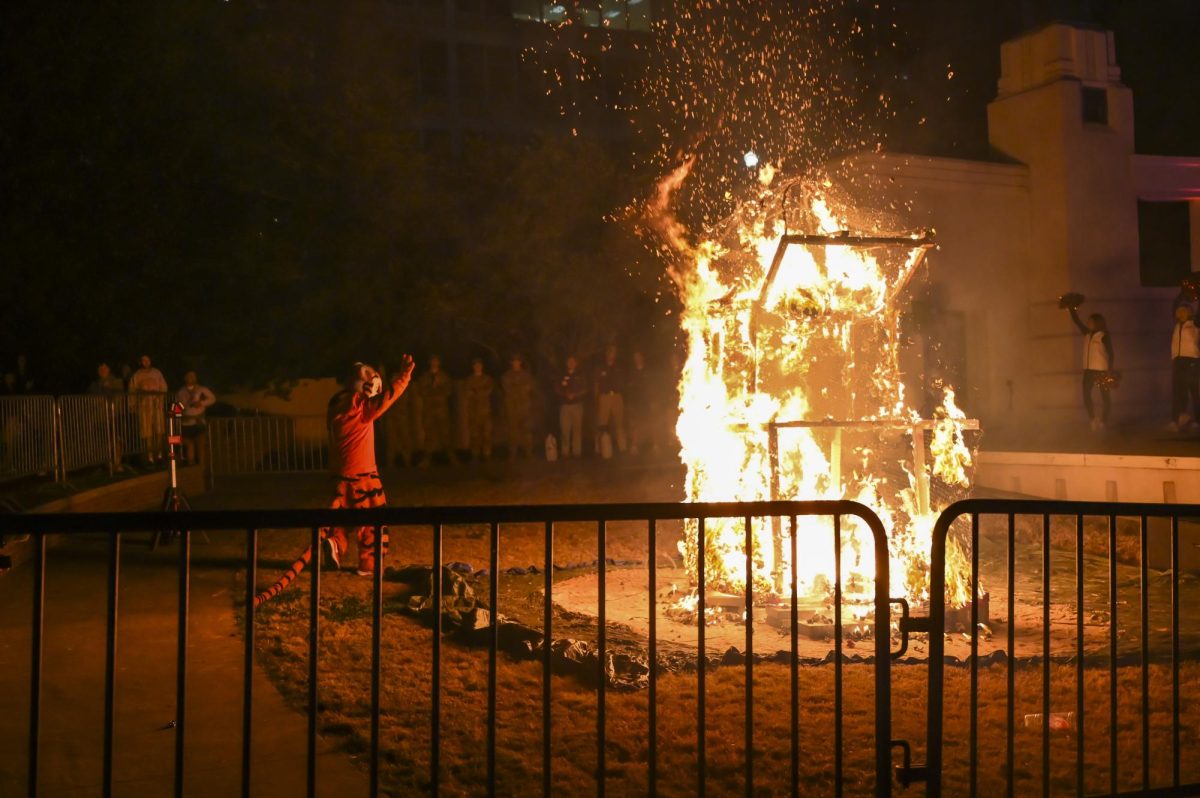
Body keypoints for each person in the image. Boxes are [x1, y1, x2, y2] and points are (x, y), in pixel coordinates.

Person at [254, 357, 416, 605]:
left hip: (341, 475)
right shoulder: (358, 404)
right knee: (374, 522)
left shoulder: (337, 402)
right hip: (363, 476)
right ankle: (369, 564)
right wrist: (403, 377)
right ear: (362, 383)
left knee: (342, 517)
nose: (375, 379)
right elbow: (386, 400)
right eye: (370, 375)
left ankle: (334, 544)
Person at [1065, 304, 1113, 431]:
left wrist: (1110, 369)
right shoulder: (1087, 334)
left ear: (1097, 323)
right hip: (1088, 371)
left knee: (1105, 397)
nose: (1088, 323)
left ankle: (1103, 421)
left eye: (1091, 321)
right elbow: (1077, 321)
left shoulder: (1103, 336)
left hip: (1101, 370)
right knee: (1086, 395)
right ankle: (1093, 419)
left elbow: (1111, 353)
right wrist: (1071, 307)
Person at [417, 355, 457, 466]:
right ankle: (427, 459)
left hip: (442, 410)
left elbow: (448, 391)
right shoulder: (424, 377)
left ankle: (451, 457)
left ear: (439, 362)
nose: (434, 363)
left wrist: (434, 391)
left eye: (436, 361)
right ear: (430, 362)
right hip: (429, 410)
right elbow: (421, 391)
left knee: (446, 433)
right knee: (429, 434)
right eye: (433, 360)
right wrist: (435, 391)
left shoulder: (444, 376)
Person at [128, 354, 168, 466]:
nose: (145, 362)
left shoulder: (157, 373)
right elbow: (132, 390)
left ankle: (159, 455)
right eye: (143, 360)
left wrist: (160, 399)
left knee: (159, 430)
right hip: (144, 407)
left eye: (147, 360)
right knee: (147, 432)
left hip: (156, 406)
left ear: (150, 361)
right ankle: (150, 457)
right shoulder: (137, 375)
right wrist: (133, 404)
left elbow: (163, 387)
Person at [88, 362, 127, 470]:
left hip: (114, 415)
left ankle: (117, 463)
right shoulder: (95, 384)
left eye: (105, 368)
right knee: (103, 441)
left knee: (117, 439)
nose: (102, 371)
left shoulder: (116, 382)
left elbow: (117, 394)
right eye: (100, 369)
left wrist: (107, 389)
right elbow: (92, 395)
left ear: (109, 369)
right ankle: (107, 463)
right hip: (100, 417)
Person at [1169, 303, 1200, 431]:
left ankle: (1197, 421)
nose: (1180, 313)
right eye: (1178, 311)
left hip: (1191, 360)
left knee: (1194, 391)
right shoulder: (1177, 326)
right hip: (1178, 361)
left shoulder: (1195, 324)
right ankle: (1178, 419)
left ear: (1189, 312)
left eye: (1184, 311)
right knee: (1178, 391)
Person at [593, 343, 627, 457]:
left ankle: (623, 448)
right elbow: (596, 384)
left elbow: (623, 382)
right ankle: (599, 447)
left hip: (617, 396)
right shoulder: (600, 368)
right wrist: (597, 398)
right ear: (607, 353)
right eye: (611, 352)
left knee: (619, 423)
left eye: (614, 352)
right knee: (602, 423)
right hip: (604, 396)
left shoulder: (619, 367)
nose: (613, 354)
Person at [176, 371, 216, 466]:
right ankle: (192, 468)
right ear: (185, 378)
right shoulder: (181, 391)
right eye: (189, 376)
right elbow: (179, 405)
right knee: (189, 445)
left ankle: (201, 470)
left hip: (199, 422)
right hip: (186, 423)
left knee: (200, 446)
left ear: (196, 378)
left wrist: (201, 403)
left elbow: (213, 399)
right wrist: (180, 413)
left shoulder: (202, 389)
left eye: (193, 376)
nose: (191, 378)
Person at [626, 350, 661, 454]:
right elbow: (629, 388)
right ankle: (634, 445)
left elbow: (653, 387)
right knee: (636, 424)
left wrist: (654, 400)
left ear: (642, 358)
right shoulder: (632, 372)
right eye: (635, 357)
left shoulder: (648, 371)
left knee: (652, 423)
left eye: (638, 356)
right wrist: (629, 402)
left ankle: (655, 445)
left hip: (648, 402)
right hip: (636, 402)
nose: (637, 359)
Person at [501, 353, 536, 459]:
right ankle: (512, 453)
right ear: (511, 363)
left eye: (518, 361)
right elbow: (508, 389)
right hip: (512, 407)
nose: (516, 363)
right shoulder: (506, 376)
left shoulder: (526, 375)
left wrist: (517, 388)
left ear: (520, 362)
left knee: (527, 430)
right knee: (512, 430)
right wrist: (520, 389)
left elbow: (529, 388)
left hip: (524, 407)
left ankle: (528, 452)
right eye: (514, 361)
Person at [464, 357, 496, 461]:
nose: (477, 367)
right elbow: (468, 393)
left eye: (479, 365)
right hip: (473, 412)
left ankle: (487, 454)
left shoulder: (487, 379)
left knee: (487, 434)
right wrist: (479, 391)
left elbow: (488, 391)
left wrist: (476, 391)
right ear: (473, 367)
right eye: (475, 365)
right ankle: (475, 455)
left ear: (482, 366)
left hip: (485, 411)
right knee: (474, 434)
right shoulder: (469, 380)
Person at [556, 355, 587, 459]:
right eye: (569, 361)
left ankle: (577, 453)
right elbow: (557, 389)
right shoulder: (561, 375)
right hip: (565, 406)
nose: (571, 363)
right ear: (567, 363)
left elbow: (585, 389)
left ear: (576, 363)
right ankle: (565, 453)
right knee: (565, 430)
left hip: (577, 406)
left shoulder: (581, 375)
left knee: (577, 430)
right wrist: (566, 395)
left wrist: (575, 395)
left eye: (573, 361)